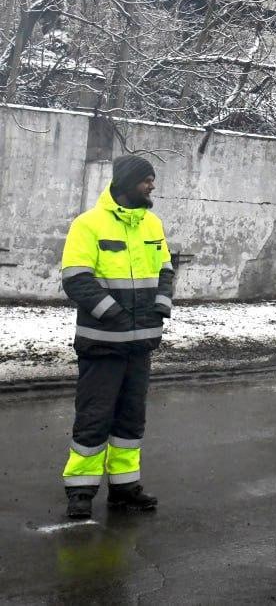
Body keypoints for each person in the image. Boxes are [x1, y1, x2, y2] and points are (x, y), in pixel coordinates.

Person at [60, 154, 174, 520]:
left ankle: (125, 488)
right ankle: (80, 491)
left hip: (141, 344)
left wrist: (161, 306)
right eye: (145, 180)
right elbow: (77, 278)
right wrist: (116, 316)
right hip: (102, 342)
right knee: (94, 416)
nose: (151, 186)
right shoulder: (88, 224)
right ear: (126, 183)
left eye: (152, 180)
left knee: (130, 419)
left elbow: (166, 270)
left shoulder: (152, 224)